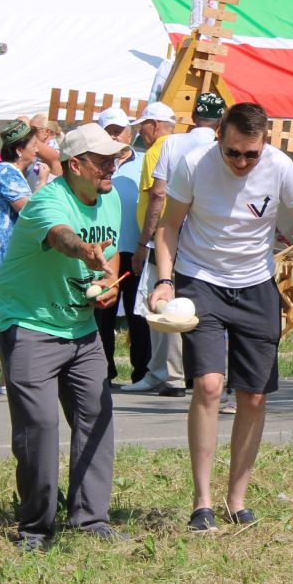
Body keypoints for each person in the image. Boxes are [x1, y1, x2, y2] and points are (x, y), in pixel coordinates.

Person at [148, 100, 293, 532]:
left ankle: (237, 499)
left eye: (252, 153)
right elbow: (169, 225)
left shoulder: (280, 167)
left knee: (253, 396)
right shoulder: (194, 165)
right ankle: (202, 502)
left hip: (255, 286)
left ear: (264, 143)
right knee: (209, 386)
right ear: (219, 139)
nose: (243, 162)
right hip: (201, 280)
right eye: (234, 152)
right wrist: (165, 280)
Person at [0, 121, 126, 550]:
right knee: (40, 425)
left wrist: (108, 285)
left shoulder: (112, 199)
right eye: (103, 161)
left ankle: (90, 519)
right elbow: (62, 237)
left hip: (81, 326)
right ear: (74, 165)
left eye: (114, 159)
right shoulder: (47, 201)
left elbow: (111, 252)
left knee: (97, 416)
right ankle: (35, 527)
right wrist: (84, 251)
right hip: (28, 322)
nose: (111, 167)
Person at [139, 92, 223, 398]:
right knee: (209, 303)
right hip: (208, 237)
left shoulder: (172, 143)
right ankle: (204, 370)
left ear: (193, 116)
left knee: (168, 300)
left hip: (173, 233)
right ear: (220, 122)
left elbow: (158, 193)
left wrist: (148, 237)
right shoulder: (219, 147)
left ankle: (172, 374)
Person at [119, 102, 180, 393]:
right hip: (183, 237)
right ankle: (180, 372)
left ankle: (161, 372)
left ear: (155, 124)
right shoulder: (185, 146)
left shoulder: (157, 151)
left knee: (156, 306)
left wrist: (143, 242)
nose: (139, 131)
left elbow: (157, 195)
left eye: (142, 125)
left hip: (160, 239)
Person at [0, 120, 40, 368]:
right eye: (33, 145)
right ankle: (9, 372)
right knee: (6, 308)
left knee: (14, 306)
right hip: (1, 247)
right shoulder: (4, 171)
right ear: (19, 149)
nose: (37, 150)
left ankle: (10, 373)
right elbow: (28, 209)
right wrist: (43, 183)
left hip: (11, 246)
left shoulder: (15, 173)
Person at [91, 108, 143, 387]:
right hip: (105, 248)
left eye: (118, 129)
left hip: (135, 248)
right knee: (103, 311)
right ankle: (103, 370)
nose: (114, 135)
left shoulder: (145, 161)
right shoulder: (93, 164)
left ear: (129, 132)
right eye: (108, 130)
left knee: (138, 312)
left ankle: (143, 371)